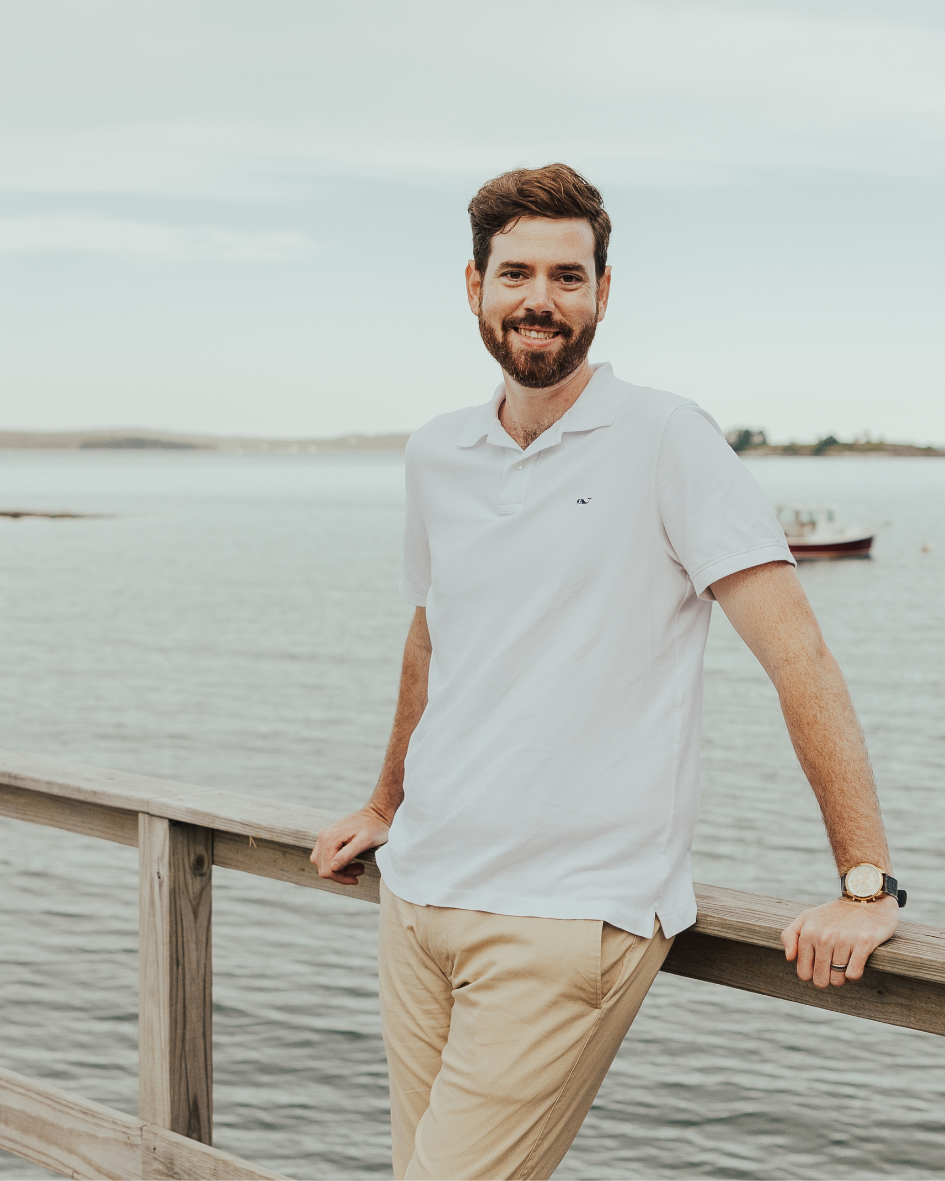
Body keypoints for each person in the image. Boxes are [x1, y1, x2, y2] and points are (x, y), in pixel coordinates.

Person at [312, 163, 903, 1181]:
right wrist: (383, 800)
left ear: (603, 291)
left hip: (565, 917)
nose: (540, 298)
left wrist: (864, 881)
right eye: (516, 273)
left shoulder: (669, 439)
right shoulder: (436, 452)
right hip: (416, 902)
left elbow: (797, 651)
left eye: (568, 275)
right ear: (474, 286)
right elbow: (431, 632)